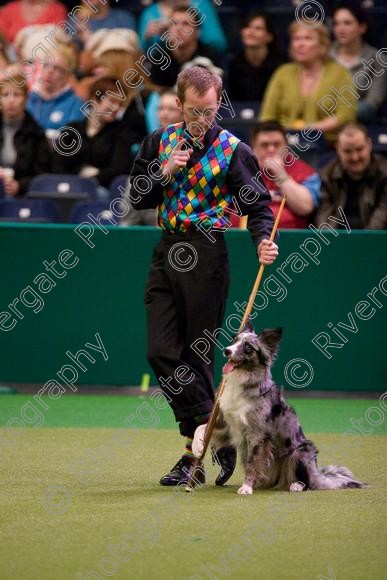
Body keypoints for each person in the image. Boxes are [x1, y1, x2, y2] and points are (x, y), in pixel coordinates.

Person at [129, 65, 278, 486]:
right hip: (167, 247)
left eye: (210, 111)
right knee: (160, 351)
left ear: (220, 102)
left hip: (206, 252)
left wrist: (263, 241)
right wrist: (163, 173)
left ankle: (189, 456)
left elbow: (259, 207)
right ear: (179, 104)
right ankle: (218, 434)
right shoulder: (158, 142)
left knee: (196, 358)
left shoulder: (234, 150)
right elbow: (137, 195)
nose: (202, 120)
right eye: (195, 112)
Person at [260, 19, 357, 140]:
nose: (301, 44)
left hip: (328, 145)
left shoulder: (339, 74)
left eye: (307, 38)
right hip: (285, 145)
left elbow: (345, 115)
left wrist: (309, 130)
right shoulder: (282, 73)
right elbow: (267, 116)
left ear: (322, 45)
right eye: (297, 39)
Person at [52, 77, 138, 191]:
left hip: (101, 190)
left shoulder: (122, 131)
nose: (117, 108)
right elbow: (57, 164)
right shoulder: (72, 129)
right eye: (112, 101)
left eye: (120, 104)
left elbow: (119, 169)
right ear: (95, 99)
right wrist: (78, 176)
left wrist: (92, 179)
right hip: (68, 187)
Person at [316, 122, 387, 229]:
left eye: (359, 149)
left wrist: (362, 242)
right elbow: (324, 219)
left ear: (369, 145)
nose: (355, 157)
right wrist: (331, 243)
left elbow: (382, 216)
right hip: (339, 239)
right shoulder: (327, 175)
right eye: (347, 151)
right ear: (338, 149)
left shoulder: (384, 173)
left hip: (375, 240)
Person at [251, 121, 320, 228]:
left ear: (286, 147)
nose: (271, 149)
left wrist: (280, 175)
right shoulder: (242, 171)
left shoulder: (305, 172)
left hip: (291, 238)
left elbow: (305, 208)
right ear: (254, 148)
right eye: (264, 145)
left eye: (277, 144)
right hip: (246, 236)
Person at [331, 4, 387, 123]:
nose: (341, 29)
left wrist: (337, 116)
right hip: (322, 125)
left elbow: (371, 106)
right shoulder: (324, 56)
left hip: (360, 125)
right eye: (336, 23)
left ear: (362, 28)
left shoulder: (378, 60)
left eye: (347, 23)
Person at [148, 4, 222, 90]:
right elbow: (156, 95)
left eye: (186, 24)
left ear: (197, 31)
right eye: (174, 23)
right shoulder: (158, 57)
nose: (179, 29)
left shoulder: (210, 57)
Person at [0, 73, 50, 196]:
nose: (11, 101)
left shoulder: (36, 133)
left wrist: (20, 185)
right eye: (5, 95)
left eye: (16, 95)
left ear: (26, 99)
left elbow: (43, 174)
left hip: (23, 194)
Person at [26, 45, 85, 137]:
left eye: (57, 69)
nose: (50, 71)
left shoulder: (75, 105)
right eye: (47, 65)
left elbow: (72, 140)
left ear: (67, 76)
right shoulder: (27, 99)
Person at [227, 11, 285, 102]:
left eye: (258, 28)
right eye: (247, 26)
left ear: (269, 36)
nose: (251, 31)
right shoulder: (234, 64)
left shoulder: (281, 65)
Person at [138, 0, 227, 54]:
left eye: (185, 23)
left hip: (197, 60)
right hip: (162, 67)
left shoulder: (201, 5)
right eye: (174, 23)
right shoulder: (149, 13)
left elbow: (218, 44)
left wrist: (192, 34)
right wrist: (147, 38)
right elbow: (139, 52)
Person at [0, 0, 67, 44]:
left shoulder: (56, 9)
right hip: (11, 58)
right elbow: (2, 38)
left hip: (45, 58)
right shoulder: (9, 9)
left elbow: (58, 38)